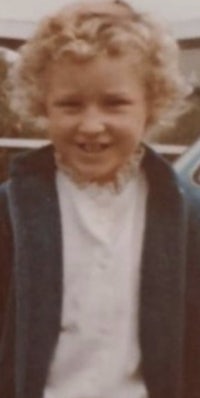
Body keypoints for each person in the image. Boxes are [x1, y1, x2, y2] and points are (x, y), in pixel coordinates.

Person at [0, 1, 200, 397]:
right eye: (70, 105)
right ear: (43, 105)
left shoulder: (188, 215)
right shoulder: (10, 213)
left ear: (152, 105)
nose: (91, 125)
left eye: (115, 103)